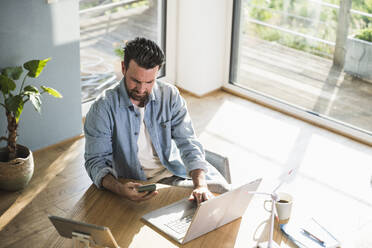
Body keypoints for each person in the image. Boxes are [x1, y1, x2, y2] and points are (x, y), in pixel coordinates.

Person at [84, 37, 229, 205]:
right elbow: (96, 162)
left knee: (222, 193)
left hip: (176, 171)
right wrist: (119, 188)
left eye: (149, 81)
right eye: (136, 81)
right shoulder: (102, 109)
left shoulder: (170, 95)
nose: (141, 89)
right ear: (123, 68)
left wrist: (201, 185)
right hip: (138, 184)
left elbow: (188, 142)